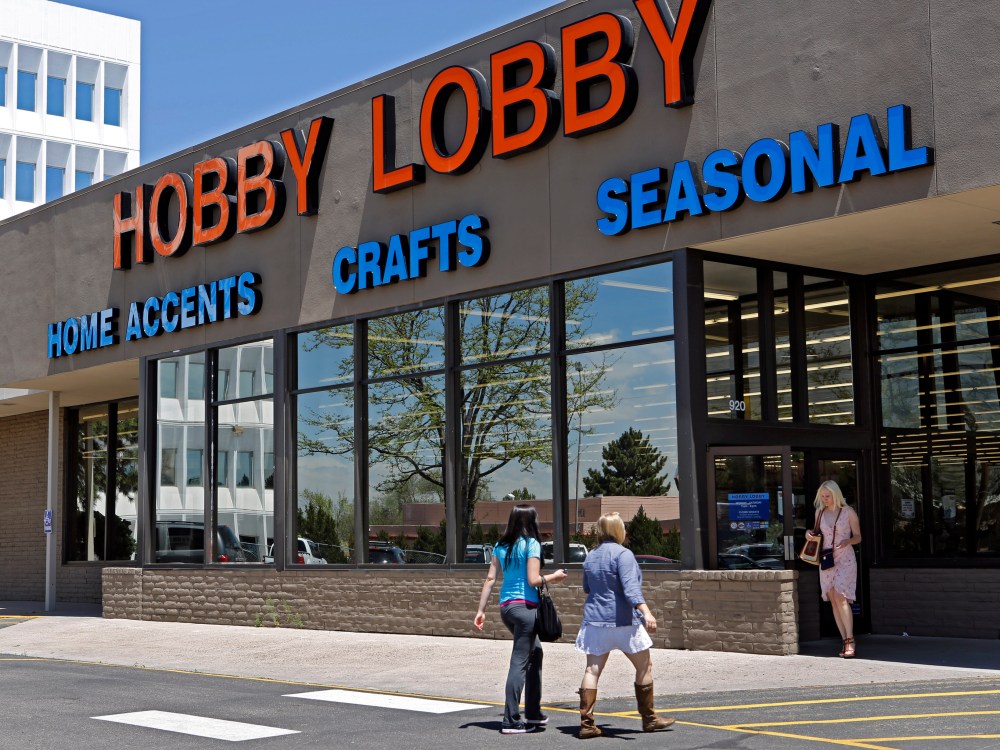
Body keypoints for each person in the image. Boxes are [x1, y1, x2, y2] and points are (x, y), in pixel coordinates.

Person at [575, 512, 674, 738]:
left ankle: (587, 724)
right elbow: (631, 590)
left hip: (595, 620)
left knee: (592, 670)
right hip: (624, 621)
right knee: (644, 667)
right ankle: (649, 719)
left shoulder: (591, 556)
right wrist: (647, 612)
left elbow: (587, 588)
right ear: (618, 530)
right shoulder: (624, 554)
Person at [474, 505, 568, 734]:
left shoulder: (500, 545)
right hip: (525, 609)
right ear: (532, 521)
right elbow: (533, 580)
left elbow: (490, 579)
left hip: (507, 608)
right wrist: (554, 577)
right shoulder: (532, 544)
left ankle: (533, 713)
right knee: (519, 661)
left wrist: (481, 610)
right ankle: (511, 720)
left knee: (535, 653)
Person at [805, 480, 862, 658]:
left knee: (841, 597)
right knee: (833, 598)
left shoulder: (848, 512)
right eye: (822, 496)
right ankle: (844, 639)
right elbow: (816, 533)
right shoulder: (820, 512)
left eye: (828, 496)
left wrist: (848, 541)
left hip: (845, 558)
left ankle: (850, 640)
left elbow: (858, 536)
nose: (825, 499)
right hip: (827, 558)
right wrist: (808, 534)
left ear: (836, 495)